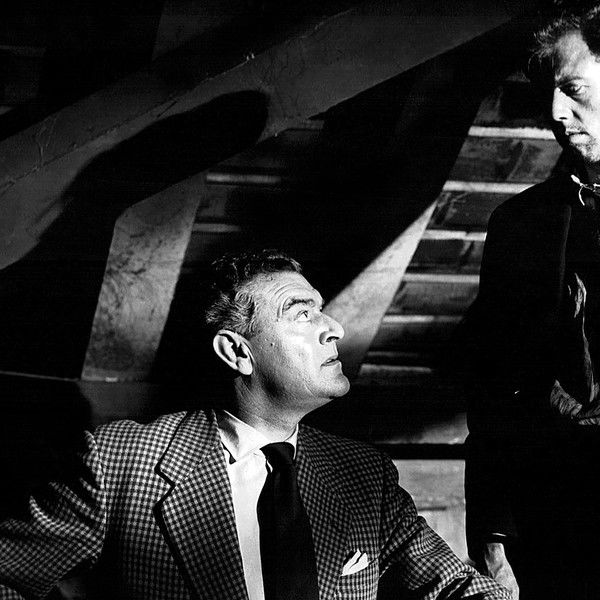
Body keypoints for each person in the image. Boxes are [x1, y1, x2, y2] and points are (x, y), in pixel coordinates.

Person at [0, 249, 508, 599]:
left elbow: (453, 586)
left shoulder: (362, 473)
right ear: (237, 351)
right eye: (302, 314)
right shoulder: (120, 462)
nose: (334, 328)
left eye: (323, 310)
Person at [462, 4, 600, 600]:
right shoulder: (519, 225)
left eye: (574, 89)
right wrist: (492, 532)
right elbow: (493, 389)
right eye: (549, 94)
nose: (556, 113)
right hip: (556, 530)